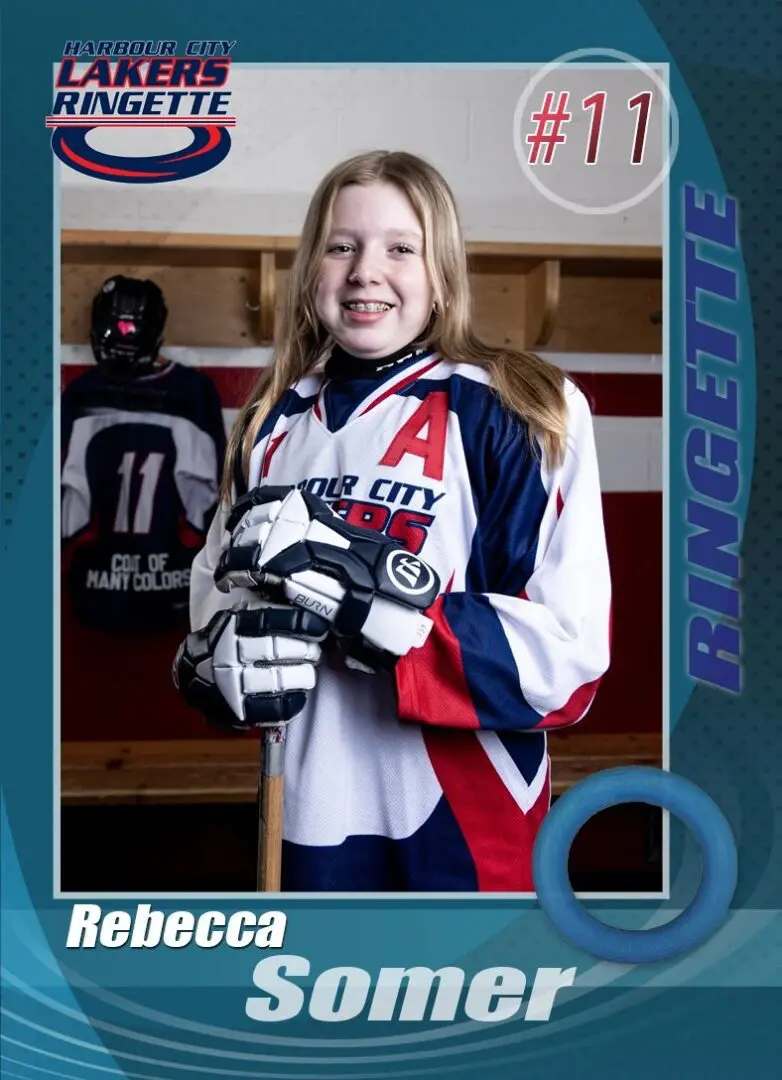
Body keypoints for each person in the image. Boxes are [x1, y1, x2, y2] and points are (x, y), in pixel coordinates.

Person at [173, 150, 612, 892]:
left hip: (465, 821)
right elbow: (216, 606)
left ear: (442, 273)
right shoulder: (268, 424)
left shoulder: (520, 406)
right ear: (312, 269)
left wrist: (382, 613)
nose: (365, 270)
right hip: (307, 809)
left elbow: (567, 658)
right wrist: (214, 666)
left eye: (400, 248)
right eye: (341, 246)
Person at [61, 275, 226, 631]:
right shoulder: (194, 391)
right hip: (170, 585)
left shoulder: (81, 393)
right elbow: (209, 506)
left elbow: (67, 511)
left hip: (97, 585)